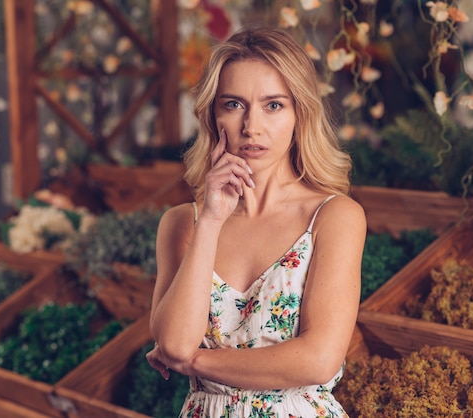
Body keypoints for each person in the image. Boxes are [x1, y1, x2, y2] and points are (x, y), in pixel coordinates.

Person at [146, 26, 367, 417]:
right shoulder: (182, 224)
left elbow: (318, 360)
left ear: (300, 113)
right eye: (233, 104)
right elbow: (176, 344)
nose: (252, 126)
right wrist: (212, 220)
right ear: (213, 115)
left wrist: (197, 363)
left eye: (274, 105)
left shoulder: (334, 217)